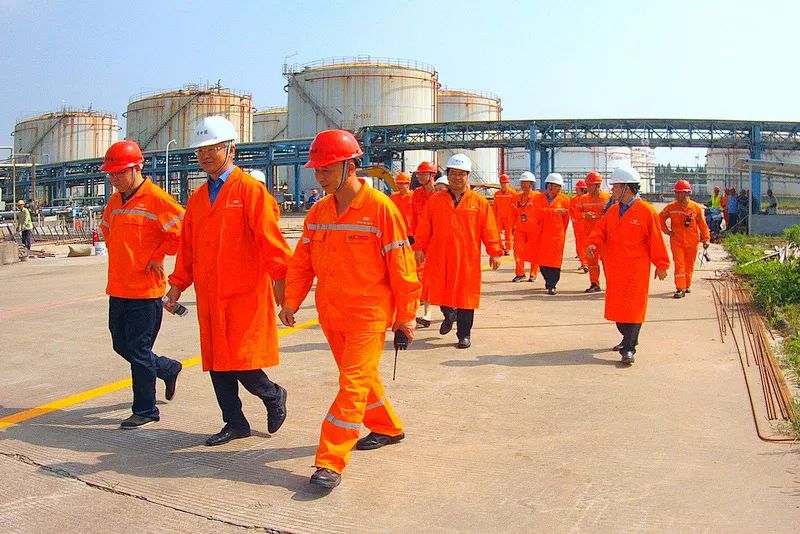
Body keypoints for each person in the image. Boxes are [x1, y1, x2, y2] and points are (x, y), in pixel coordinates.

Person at [279, 129, 421, 490]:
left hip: (368, 315)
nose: (320, 176)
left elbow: (402, 266)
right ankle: (387, 427)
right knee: (360, 378)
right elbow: (302, 262)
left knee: (352, 384)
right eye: (317, 169)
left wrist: (406, 315)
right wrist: (291, 300)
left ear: (351, 166)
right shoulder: (319, 211)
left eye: (326, 168)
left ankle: (330, 460)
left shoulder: (380, 209)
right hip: (331, 314)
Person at [166, 116, 292, 447]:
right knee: (217, 363)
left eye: (213, 148)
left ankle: (273, 394)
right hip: (210, 295)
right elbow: (187, 249)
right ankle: (234, 422)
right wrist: (176, 286)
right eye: (200, 150)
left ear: (231, 149)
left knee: (242, 361)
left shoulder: (250, 191)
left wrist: (285, 290)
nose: (205, 155)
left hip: (244, 294)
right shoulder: (197, 199)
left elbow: (271, 242)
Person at [99, 140, 185, 428]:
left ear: (137, 168)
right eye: (110, 174)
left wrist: (158, 255)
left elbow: (183, 231)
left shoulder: (156, 199)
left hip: (146, 293)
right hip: (119, 288)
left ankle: (146, 410)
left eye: (118, 173)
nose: (113, 179)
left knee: (138, 350)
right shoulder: (115, 201)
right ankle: (167, 368)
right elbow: (107, 230)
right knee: (121, 344)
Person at [413, 154, 502, 349]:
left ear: (468, 176)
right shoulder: (435, 201)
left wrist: (494, 251)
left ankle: (464, 334)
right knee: (440, 290)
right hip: (440, 255)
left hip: (467, 258)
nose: (457, 177)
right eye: (453, 173)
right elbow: (424, 226)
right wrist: (419, 247)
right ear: (448, 175)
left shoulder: (479, 203)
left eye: (461, 174)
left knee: (466, 296)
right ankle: (449, 314)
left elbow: (489, 229)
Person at [587, 167, 669, 365]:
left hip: (636, 269)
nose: (612, 190)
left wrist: (661, 264)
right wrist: (593, 243)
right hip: (615, 268)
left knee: (634, 307)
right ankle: (627, 338)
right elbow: (600, 230)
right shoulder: (613, 210)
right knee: (618, 308)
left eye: (615, 186)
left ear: (626, 187)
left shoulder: (646, 211)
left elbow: (656, 239)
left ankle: (629, 348)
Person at [659, 180, 711, 299]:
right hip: (676, 241)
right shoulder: (671, 207)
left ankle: (687, 284)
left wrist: (706, 239)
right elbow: (660, 218)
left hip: (692, 242)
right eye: (676, 192)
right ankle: (680, 288)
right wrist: (667, 231)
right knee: (679, 264)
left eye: (679, 192)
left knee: (689, 264)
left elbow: (702, 225)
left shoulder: (695, 208)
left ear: (687, 193)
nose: (676, 195)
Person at [527, 173, 571, 295]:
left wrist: (561, 232)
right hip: (541, 235)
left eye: (560, 186)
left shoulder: (565, 200)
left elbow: (566, 219)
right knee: (543, 261)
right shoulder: (538, 199)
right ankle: (547, 280)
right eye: (557, 186)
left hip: (557, 235)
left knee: (555, 262)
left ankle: (552, 284)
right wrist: (554, 211)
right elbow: (535, 213)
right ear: (550, 186)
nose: (559, 189)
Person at [572, 171, 610, 293]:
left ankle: (611, 284)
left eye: (590, 185)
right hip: (589, 235)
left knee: (607, 261)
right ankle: (594, 283)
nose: (587, 187)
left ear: (598, 185)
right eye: (587, 185)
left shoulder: (607, 198)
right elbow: (576, 213)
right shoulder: (583, 199)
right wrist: (584, 215)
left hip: (605, 236)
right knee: (592, 261)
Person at [411, 161, 437, 328]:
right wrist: (416, 243)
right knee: (424, 276)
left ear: (432, 175)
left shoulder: (441, 193)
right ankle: (427, 314)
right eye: (418, 174)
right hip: (422, 241)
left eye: (423, 174)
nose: (419, 176)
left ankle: (452, 308)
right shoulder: (417, 194)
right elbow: (414, 219)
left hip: (439, 241)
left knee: (441, 276)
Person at [511, 171, 539, 283]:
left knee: (534, 251)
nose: (522, 184)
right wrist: (512, 227)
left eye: (525, 182)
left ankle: (533, 273)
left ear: (531, 183)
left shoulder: (538, 197)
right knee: (518, 251)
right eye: (522, 182)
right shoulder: (517, 197)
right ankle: (520, 274)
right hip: (520, 229)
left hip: (534, 230)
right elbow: (513, 213)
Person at [493, 174, 516, 256]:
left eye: (505, 183)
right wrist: (493, 217)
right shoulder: (497, 194)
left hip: (509, 217)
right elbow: (495, 206)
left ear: (508, 183)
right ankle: (500, 247)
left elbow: (515, 207)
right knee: (497, 233)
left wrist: (515, 219)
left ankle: (507, 249)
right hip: (499, 217)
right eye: (502, 183)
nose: (503, 184)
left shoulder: (513, 194)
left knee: (508, 234)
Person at [571, 179, 588, 272]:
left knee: (585, 245)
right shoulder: (574, 199)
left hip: (587, 225)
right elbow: (571, 210)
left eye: (578, 189)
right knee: (580, 245)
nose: (576, 191)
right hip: (578, 225)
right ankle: (584, 263)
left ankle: (585, 263)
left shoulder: (588, 199)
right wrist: (573, 218)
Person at [389, 172, 413, 238]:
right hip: (397, 231)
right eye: (398, 183)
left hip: (410, 232)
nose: (400, 185)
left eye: (402, 183)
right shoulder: (393, 197)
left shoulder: (414, 196)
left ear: (408, 184)